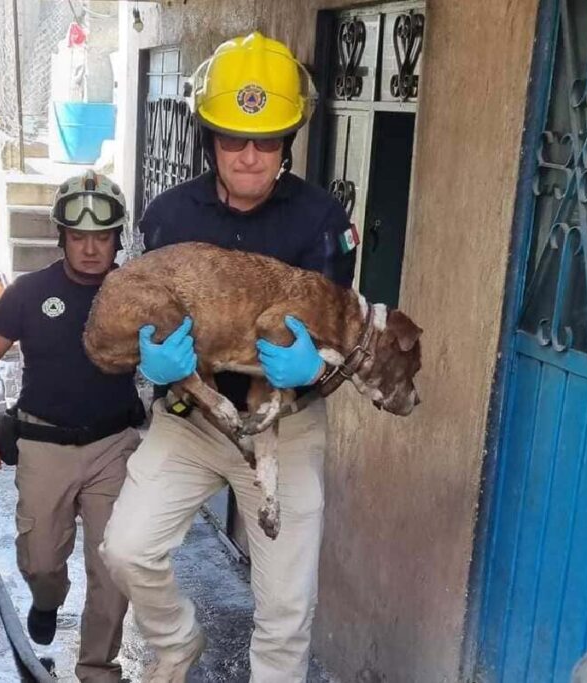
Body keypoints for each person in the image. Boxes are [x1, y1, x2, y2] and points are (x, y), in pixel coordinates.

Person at [99, 32, 357, 681]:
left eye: (265, 140)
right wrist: (147, 360)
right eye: (232, 138)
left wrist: (316, 370)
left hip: (284, 428)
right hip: (192, 418)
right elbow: (138, 313)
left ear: (287, 143)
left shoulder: (323, 223)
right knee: (126, 549)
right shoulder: (165, 217)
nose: (248, 155)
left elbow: (341, 338)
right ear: (207, 136)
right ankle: (178, 639)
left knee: (285, 612)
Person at [0, 171, 144, 682]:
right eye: (79, 237)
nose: (91, 249)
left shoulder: (136, 292)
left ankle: (97, 668)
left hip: (115, 445)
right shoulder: (29, 293)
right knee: (41, 560)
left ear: (117, 238)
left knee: (114, 567)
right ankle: (47, 599)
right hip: (43, 443)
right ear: (61, 236)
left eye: (103, 237)